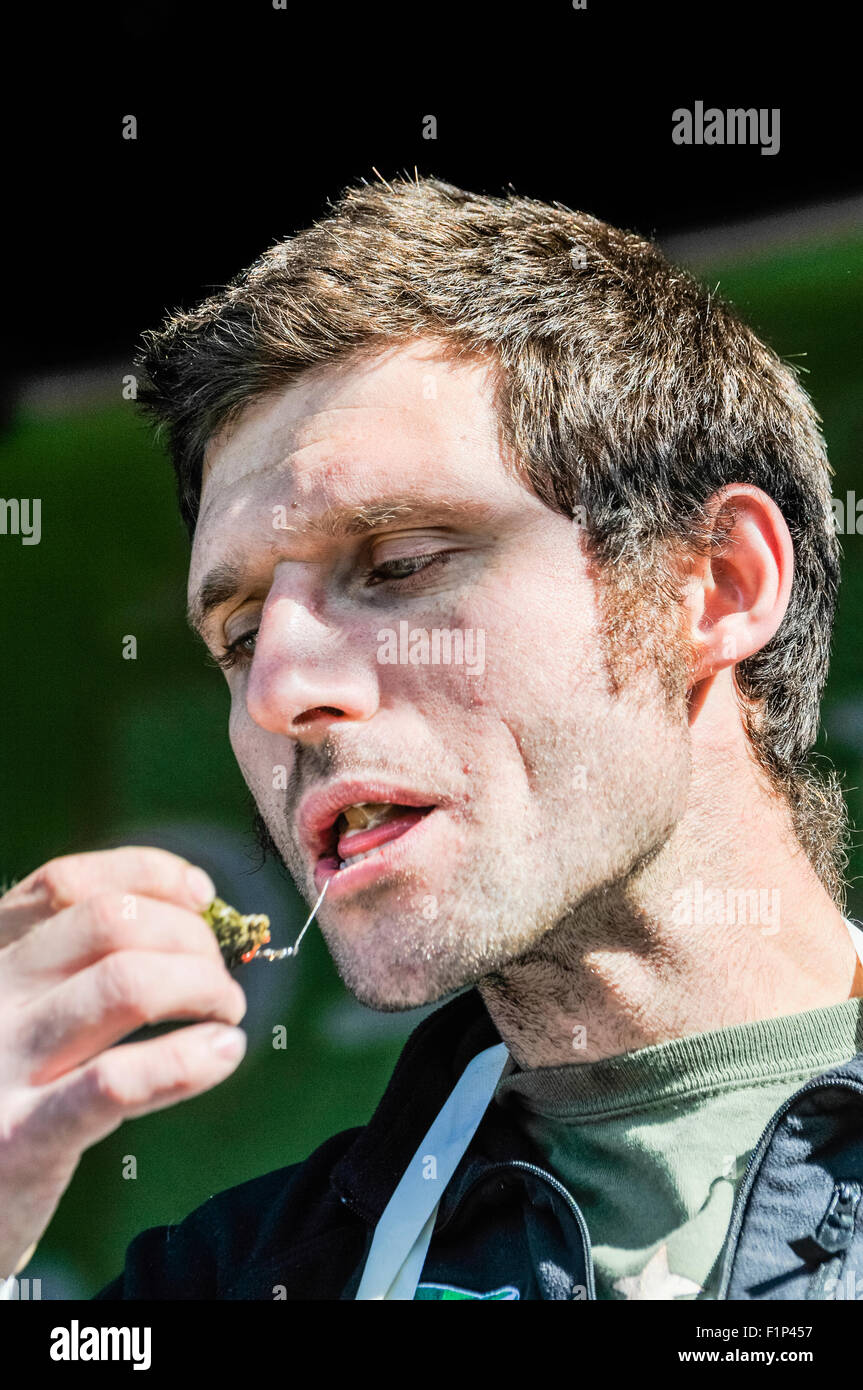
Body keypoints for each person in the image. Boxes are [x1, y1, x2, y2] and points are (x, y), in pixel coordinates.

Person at [2, 176, 860, 1301]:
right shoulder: (229, 1282)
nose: (278, 688)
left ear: (715, 584)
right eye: (241, 630)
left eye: (400, 564)